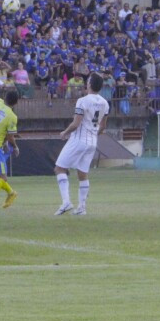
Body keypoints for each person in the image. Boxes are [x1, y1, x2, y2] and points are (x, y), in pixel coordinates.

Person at [54, 73, 110, 215]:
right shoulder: (105, 102)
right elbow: (103, 126)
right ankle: (82, 208)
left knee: (59, 169)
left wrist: (64, 132)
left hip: (79, 139)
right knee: (82, 174)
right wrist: (93, 134)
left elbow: (76, 123)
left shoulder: (82, 101)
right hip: (92, 141)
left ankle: (66, 202)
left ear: (89, 84)